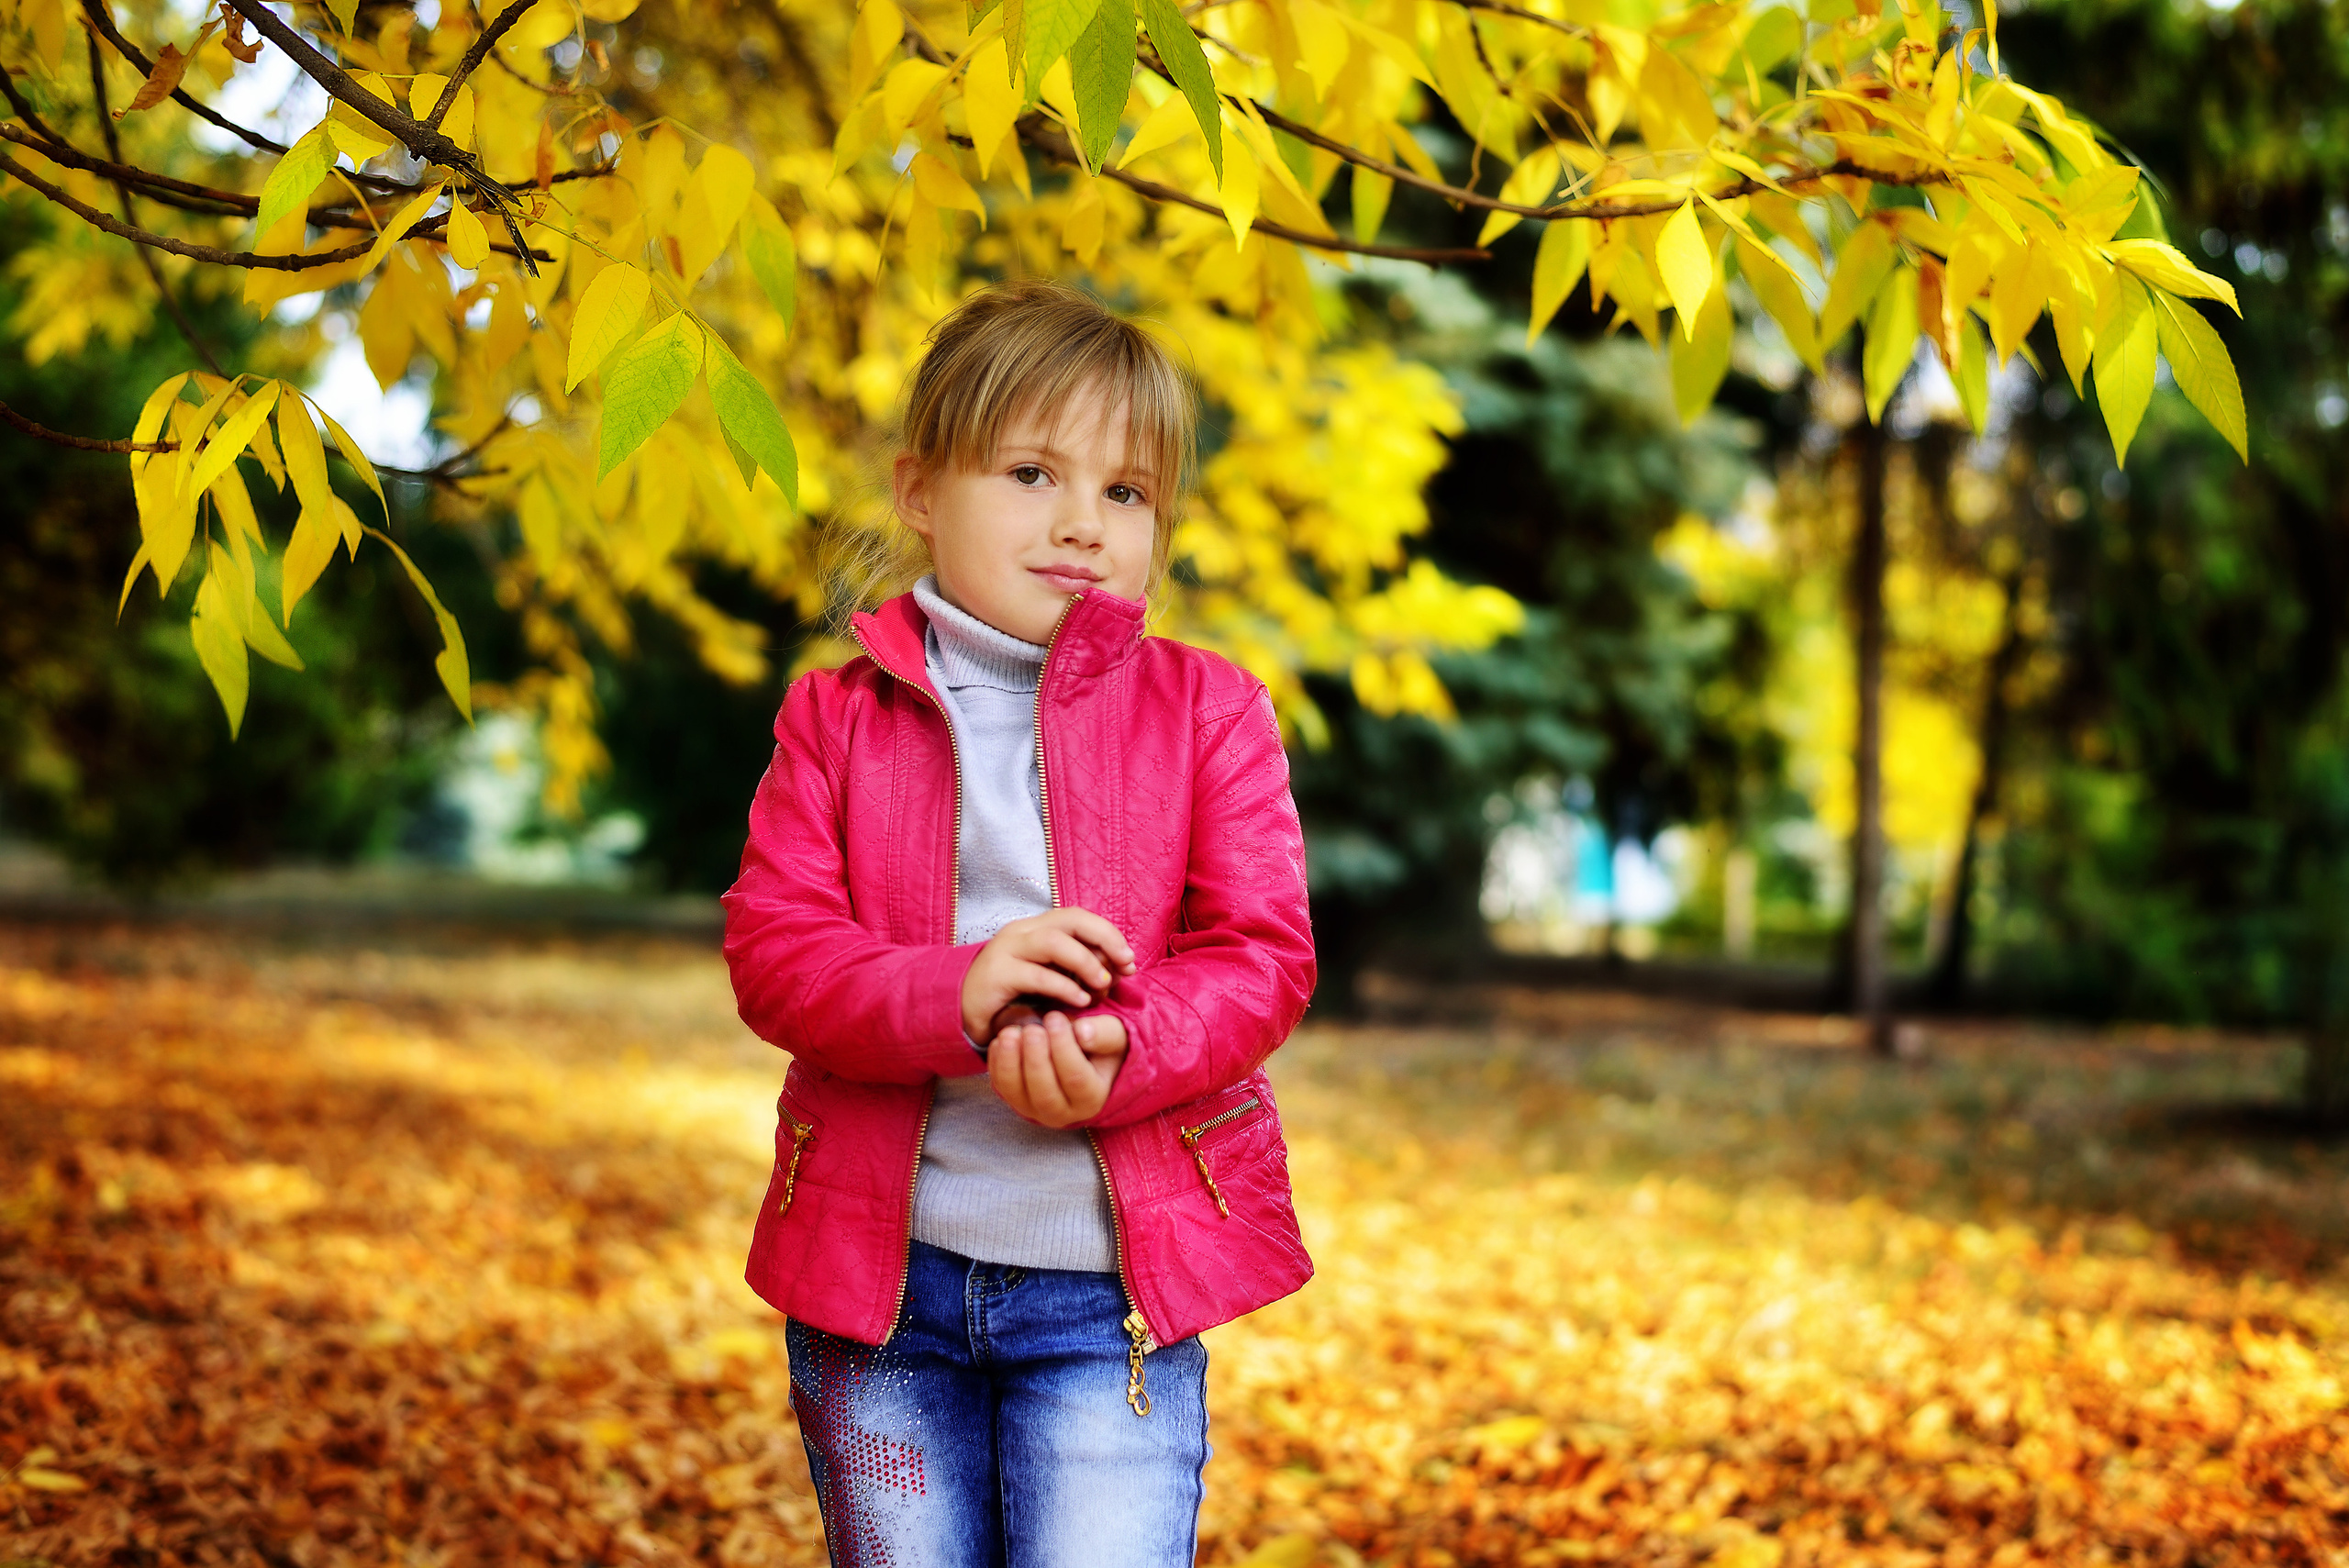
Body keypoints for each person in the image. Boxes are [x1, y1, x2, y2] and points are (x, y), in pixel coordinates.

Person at [720, 279, 1318, 1567]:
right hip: (880, 1295)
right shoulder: (836, 719)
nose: (1083, 523)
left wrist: (1125, 1045)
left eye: (1126, 492)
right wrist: (960, 991)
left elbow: (1261, 954)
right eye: (1034, 471)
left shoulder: (1208, 709)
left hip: (1108, 1303)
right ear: (921, 491)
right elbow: (777, 954)